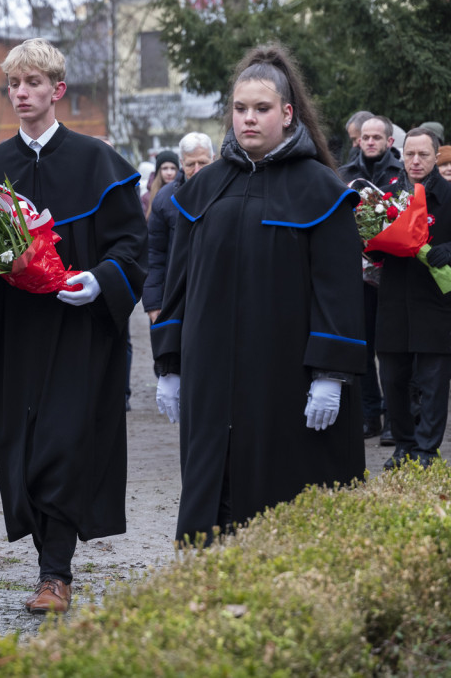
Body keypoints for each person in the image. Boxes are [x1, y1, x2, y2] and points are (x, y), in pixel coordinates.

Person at [0, 38, 147, 614]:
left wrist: (101, 280)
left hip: (77, 332)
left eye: (33, 83)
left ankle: (54, 574)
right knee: (23, 450)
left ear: (57, 89)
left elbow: (132, 246)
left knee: (64, 445)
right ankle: (49, 565)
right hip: (17, 333)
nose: (21, 93)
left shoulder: (98, 162)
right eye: (14, 84)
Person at [152, 44, 366, 544]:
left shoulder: (322, 189)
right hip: (211, 378)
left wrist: (330, 374)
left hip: (286, 377)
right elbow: (179, 284)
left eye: (262, 108)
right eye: (240, 108)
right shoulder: (204, 188)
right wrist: (169, 364)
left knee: (287, 499)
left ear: (287, 114)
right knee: (214, 499)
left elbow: (337, 291)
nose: (248, 118)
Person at [374, 128, 451, 469]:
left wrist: (449, 251)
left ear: (436, 156)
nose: (415, 161)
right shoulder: (387, 196)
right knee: (393, 379)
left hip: (434, 301)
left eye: (423, 155)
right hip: (393, 300)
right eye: (410, 154)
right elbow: (371, 245)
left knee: (433, 381)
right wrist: (371, 245)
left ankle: (427, 450)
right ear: (402, 156)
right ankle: (403, 445)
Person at [339, 115, 402, 442]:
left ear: (389, 141)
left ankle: (394, 418)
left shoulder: (401, 174)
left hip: (393, 274)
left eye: (377, 137)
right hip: (357, 275)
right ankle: (370, 414)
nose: (371, 142)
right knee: (361, 347)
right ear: (359, 140)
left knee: (390, 350)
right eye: (366, 137)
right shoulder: (344, 174)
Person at [143, 132, 214, 323]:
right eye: (191, 164)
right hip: (177, 295)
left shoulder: (229, 193)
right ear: (182, 163)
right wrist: (154, 303)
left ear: (213, 159)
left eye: (203, 163)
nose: (197, 170)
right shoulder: (165, 199)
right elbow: (155, 254)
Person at [141, 150, 179, 218]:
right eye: (165, 168)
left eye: (173, 168)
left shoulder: (183, 192)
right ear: (158, 171)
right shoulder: (146, 198)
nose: (169, 173)